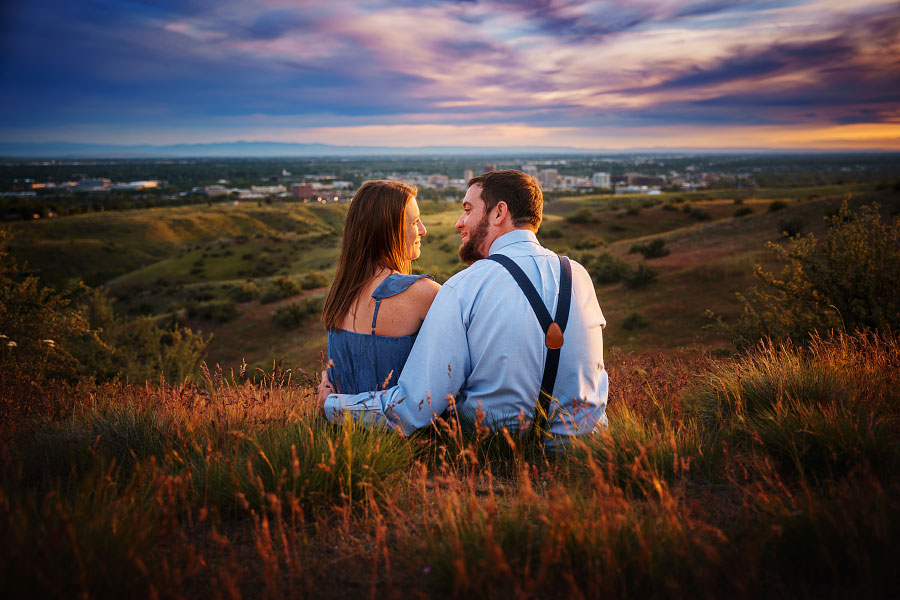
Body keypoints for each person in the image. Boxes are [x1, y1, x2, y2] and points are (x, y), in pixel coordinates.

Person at [318, 170, 608, 441]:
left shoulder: (464, 287)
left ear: (499, 213)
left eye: (468, 210)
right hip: (588, 451)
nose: (459, 222)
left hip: (495, 452)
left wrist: (331, 405)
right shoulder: (579, 276)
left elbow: (413, 408)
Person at [322, 180, 440, 395]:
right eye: (414, 223)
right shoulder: (422, 293)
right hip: (400, 426)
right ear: (388, 231)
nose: (423, 230)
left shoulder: (341, 293)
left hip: (338, 425)